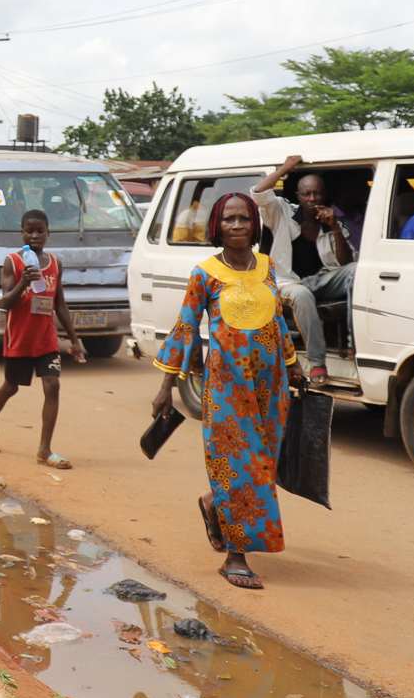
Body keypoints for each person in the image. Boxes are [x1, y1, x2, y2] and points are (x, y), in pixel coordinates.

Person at [151, 192, 305, 591]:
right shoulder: (205, 273)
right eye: (228, 220)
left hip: (270, 385)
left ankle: (212, 502)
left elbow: (276, 322)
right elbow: (185, 329)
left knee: (263, 465)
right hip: (226, 388)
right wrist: (166, 387)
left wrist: (294, 365)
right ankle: (235, 556)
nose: (237, 226)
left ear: (255, 224)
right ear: (216, 226)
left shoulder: (267, 267)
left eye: (244, 219)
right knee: (241, 466)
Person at [0, 210, 86, 468]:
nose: (34, 236)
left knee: (52, 386)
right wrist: (23, 282)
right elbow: (6, 302)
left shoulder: (55, 264)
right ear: (22, 233)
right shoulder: (13, 262)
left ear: (48, 234)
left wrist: (74, 340)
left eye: (39, 231)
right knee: (11, 386)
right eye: (29, 231)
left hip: (45, 338)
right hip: (20, 338)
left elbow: (60, 305)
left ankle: (45, 450)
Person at [252, 155, 358, 385]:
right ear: (298, 197)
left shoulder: (333, 222)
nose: (312, 199)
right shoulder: (282, 211)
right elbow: (259, 191)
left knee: (357, 271)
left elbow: (344, 263)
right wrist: (287, 167)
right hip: (287, 282)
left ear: (325, 195)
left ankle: (352, 344)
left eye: (317, 193)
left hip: (321, 281)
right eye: (307, 194)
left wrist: (335, 228)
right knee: (302, 295)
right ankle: (318, 364)